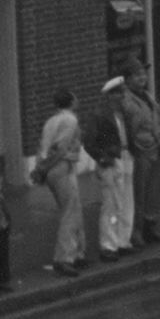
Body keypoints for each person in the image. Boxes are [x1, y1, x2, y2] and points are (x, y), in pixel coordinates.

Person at [34, 88, 86, 276]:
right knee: (69, 212)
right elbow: (60, 148)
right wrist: (46, 167)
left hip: (53, 168)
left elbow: (44, 146)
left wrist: (40, 167)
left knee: (73, 209)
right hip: (62, 166)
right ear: (71, 101)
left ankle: (77, 252)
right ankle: (64, 258)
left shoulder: (51, 121)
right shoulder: (70, 120)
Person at [120, 59, 160, 244]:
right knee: (139, 192)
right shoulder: (126, 99)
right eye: (137, 74)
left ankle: (151, 225)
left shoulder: (147, 95)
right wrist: (134, 147)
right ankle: (136, 230)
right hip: (140, 151)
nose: (142, 77)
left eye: (143, 73)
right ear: (127, 79)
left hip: (158, 148)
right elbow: (127, 128)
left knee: (154, 190)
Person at [87, 79, 134, 262]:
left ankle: (123, 240)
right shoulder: (99, 115)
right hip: (111, 160)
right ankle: (108, 245)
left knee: (126, 202)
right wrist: (101, 157)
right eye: (117, 93)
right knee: (111, 205)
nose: (121, 96)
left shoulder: (124, 113)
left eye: (122, 92)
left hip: (126, 156)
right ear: (109, 95)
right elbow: (89, 141)